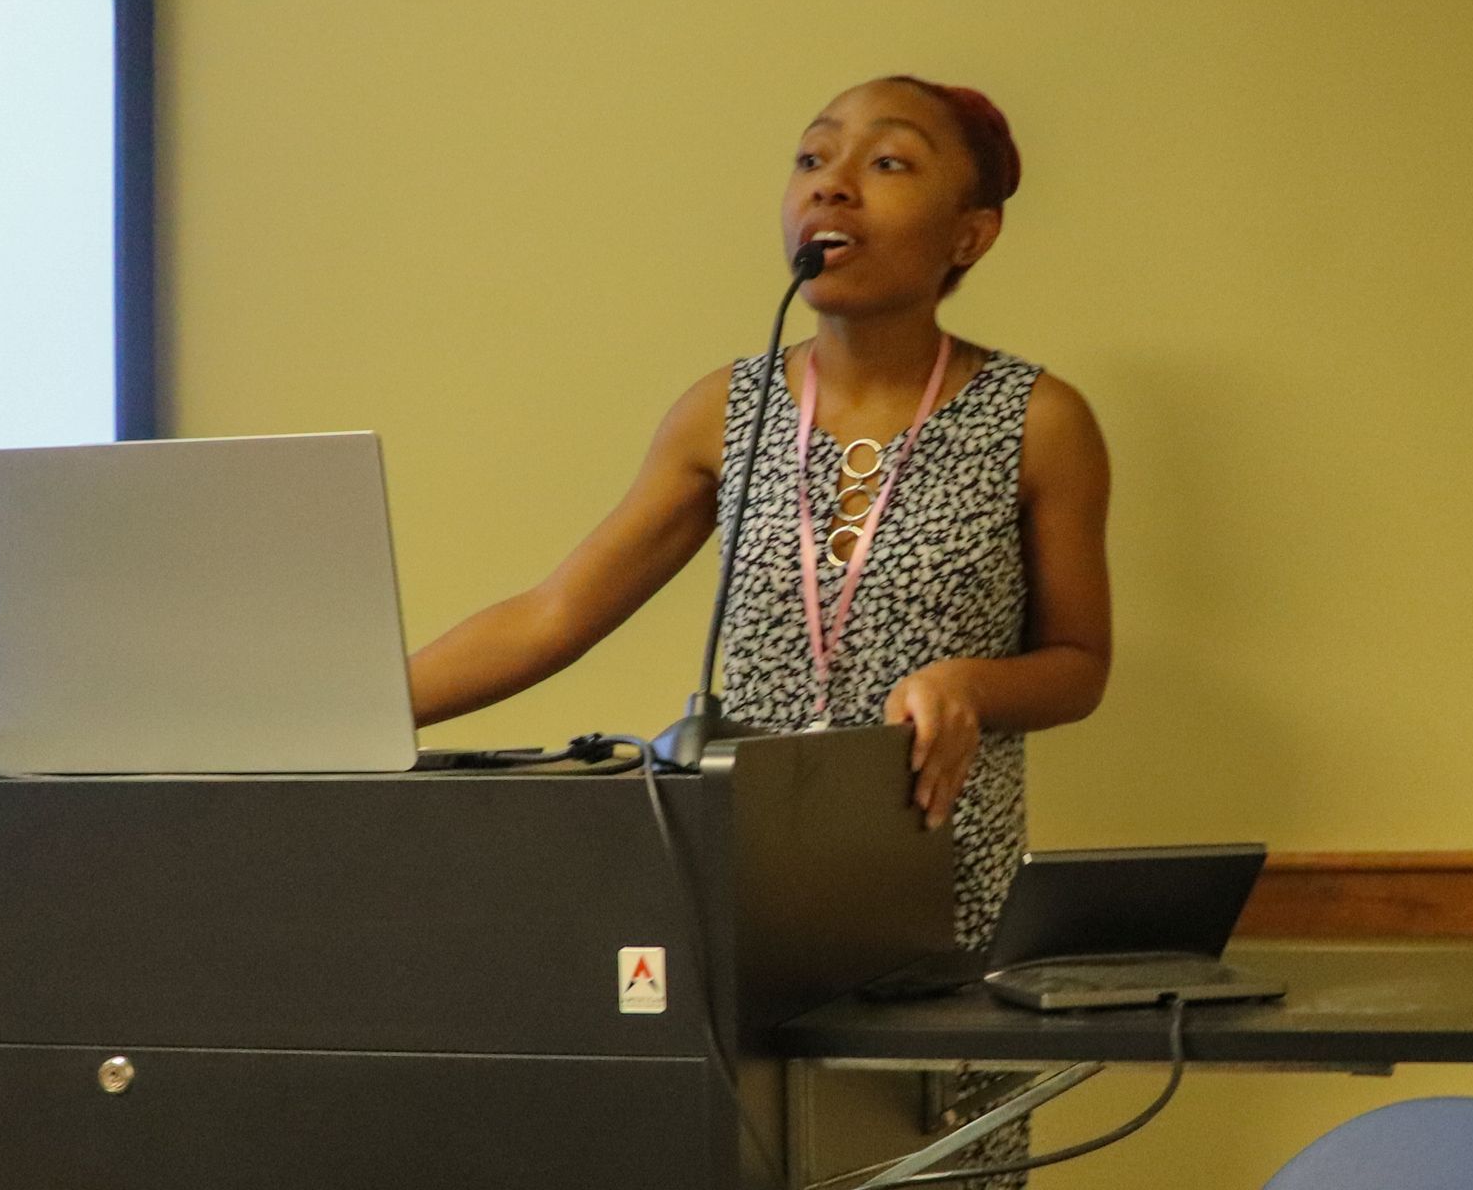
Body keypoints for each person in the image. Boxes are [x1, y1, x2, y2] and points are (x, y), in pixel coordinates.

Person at [409, 75, 1111, 1185]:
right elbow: (552, 613)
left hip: (944, 911)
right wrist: (354, 699)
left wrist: (973, 683)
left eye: (887, 163)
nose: (832, 181)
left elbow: (1080, 666)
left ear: (970, 232)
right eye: (812, 158)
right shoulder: (724, 411)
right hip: (747, 905)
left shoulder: (1039, 418)